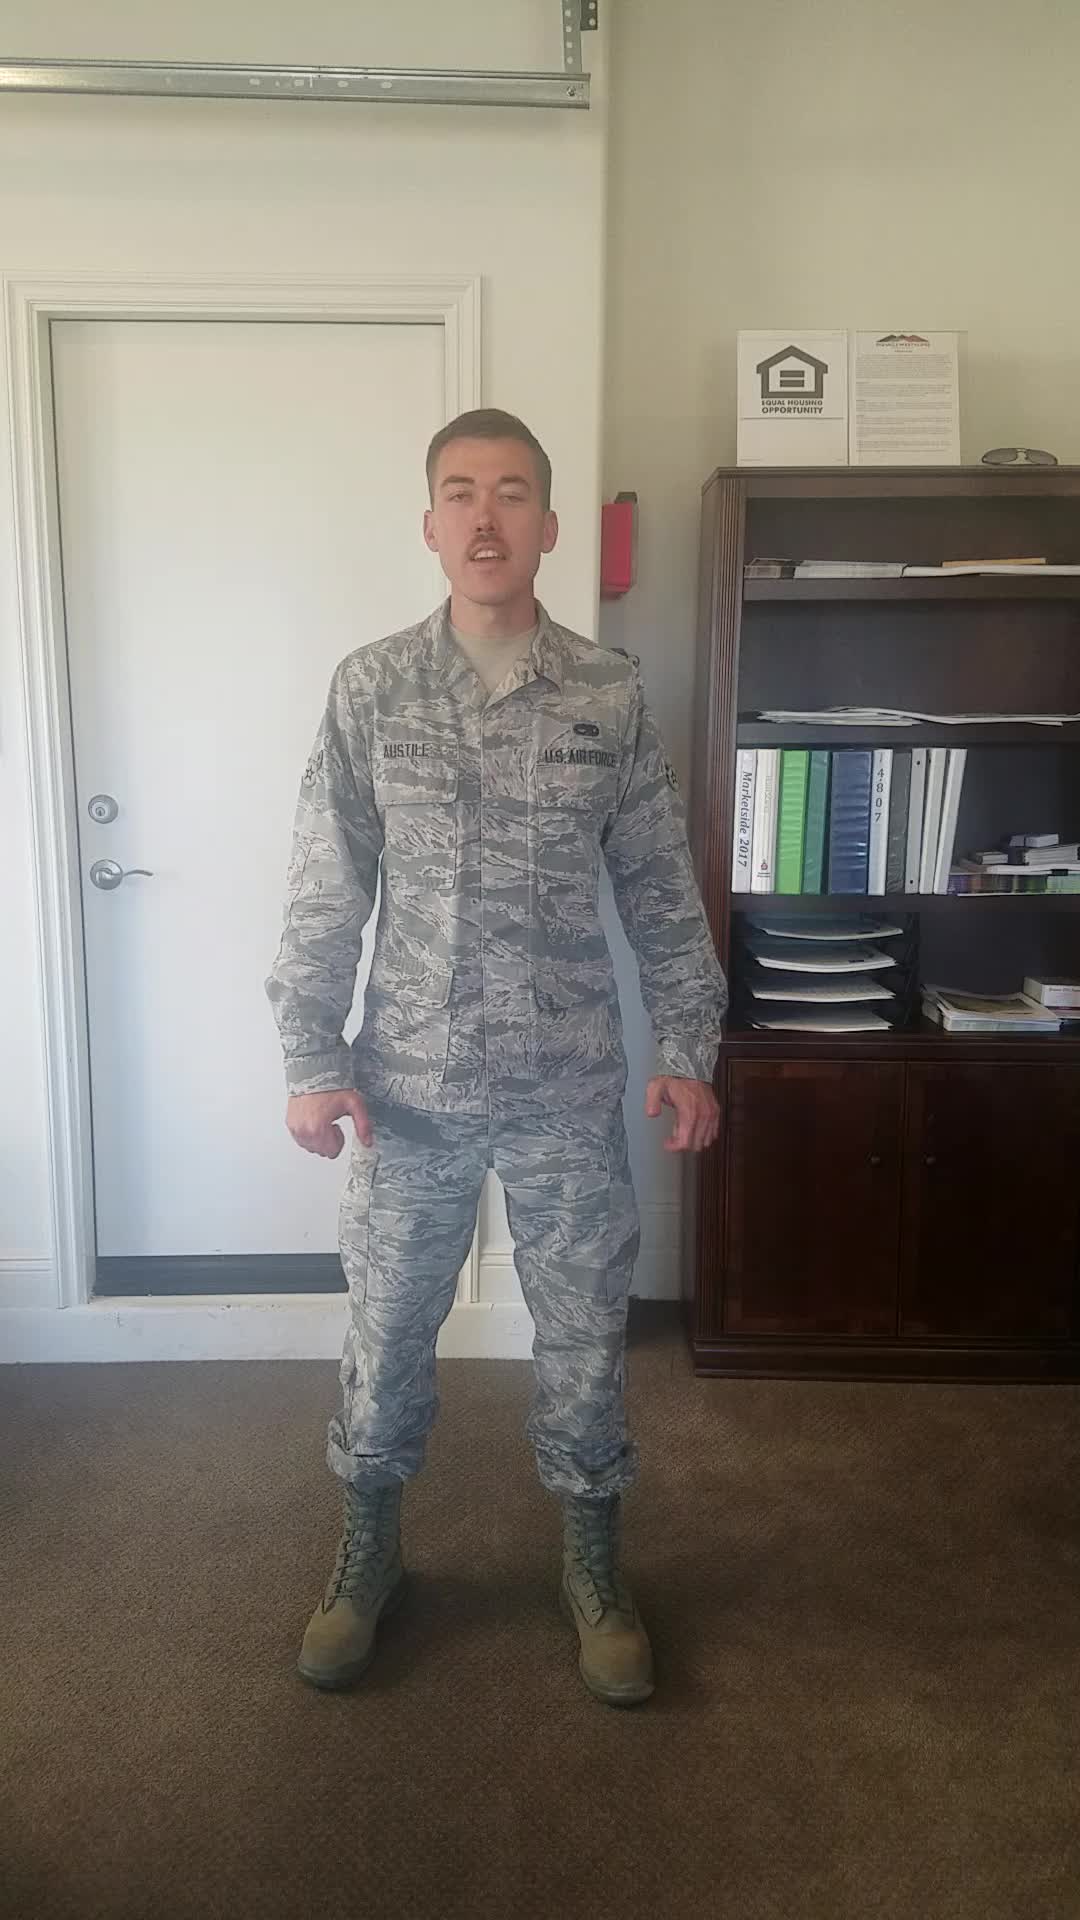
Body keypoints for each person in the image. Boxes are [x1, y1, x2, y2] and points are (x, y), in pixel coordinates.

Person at [266, 407, 727, 1708]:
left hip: (565, 1086)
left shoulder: (607, 692)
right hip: (405, 1089)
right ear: (430, 525)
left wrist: (687, 1043)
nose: (485, 517)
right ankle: (368, 1557)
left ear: (548, 525)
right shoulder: (372, 688)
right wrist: (309, 1055)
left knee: (583, 1336)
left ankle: (594, 1567)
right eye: (461, 493)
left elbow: (659, 887)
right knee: (388, 1331)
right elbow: (326, 884)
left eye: (512, 492)